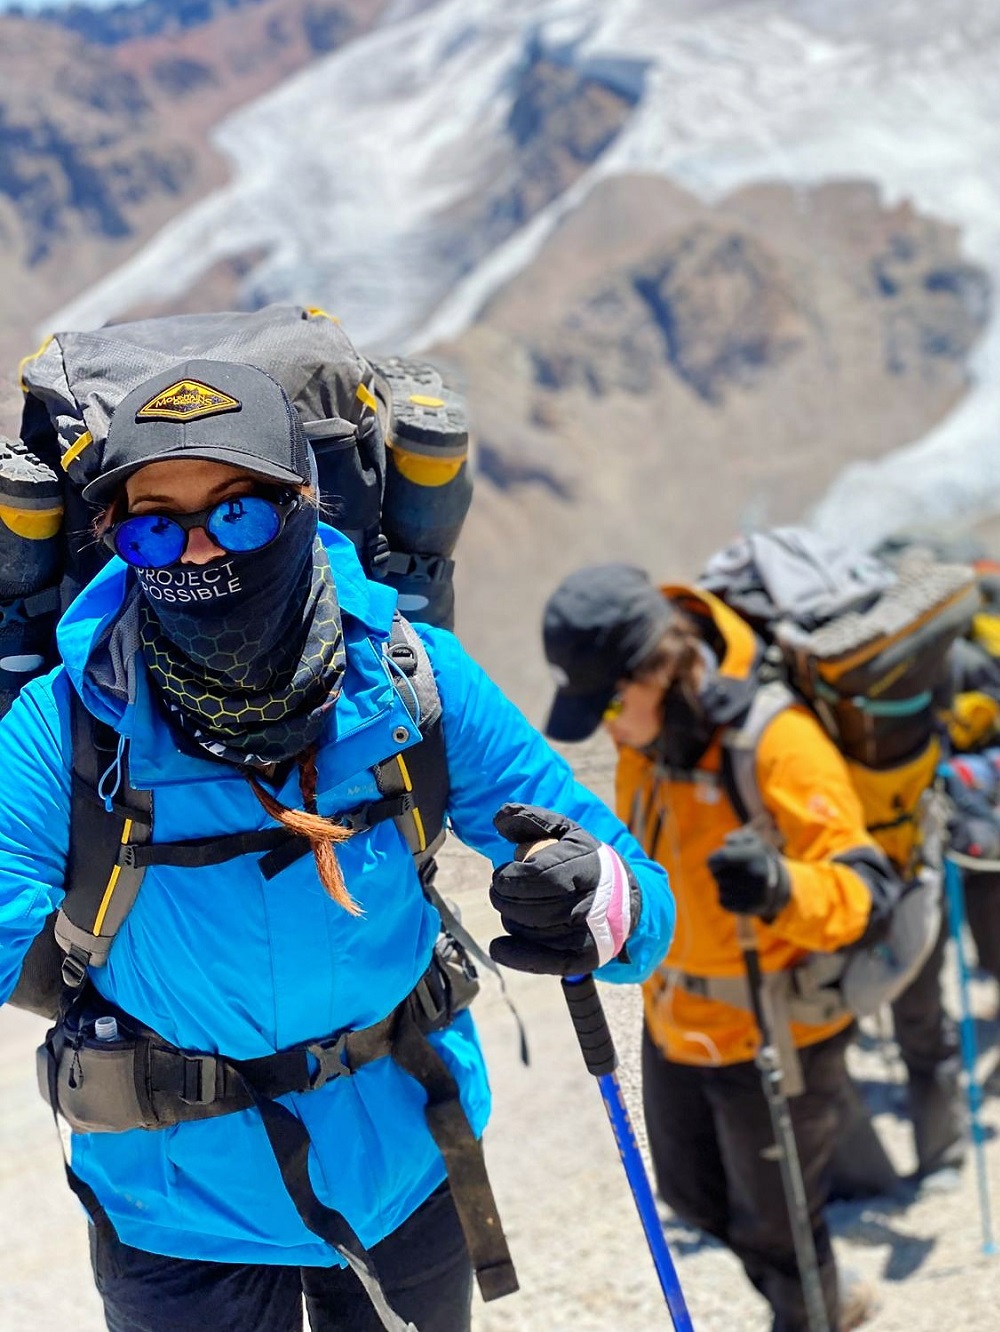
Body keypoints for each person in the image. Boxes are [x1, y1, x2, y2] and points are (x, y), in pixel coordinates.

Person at [0, 363, 676, 1332]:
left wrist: (592, 897)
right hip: (182, 1208)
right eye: (156, 528)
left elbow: (640, 908)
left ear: (300, 506)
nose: (197, 552)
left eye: (236, 515)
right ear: (119, 541)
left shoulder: (410, 679)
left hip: (405, 1165)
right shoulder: (64, 723)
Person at [541, 562, 896, 1332]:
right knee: (690, 1196)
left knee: (782, 1233)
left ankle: (817, 1309)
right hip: (676, 1023)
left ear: (658, 669)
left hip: (775, 1034)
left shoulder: (775, 739)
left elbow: (867, 894)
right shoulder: (648, 739)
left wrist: (780, 887)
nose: (608, 728)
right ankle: (828, 1298)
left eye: (610, 704)